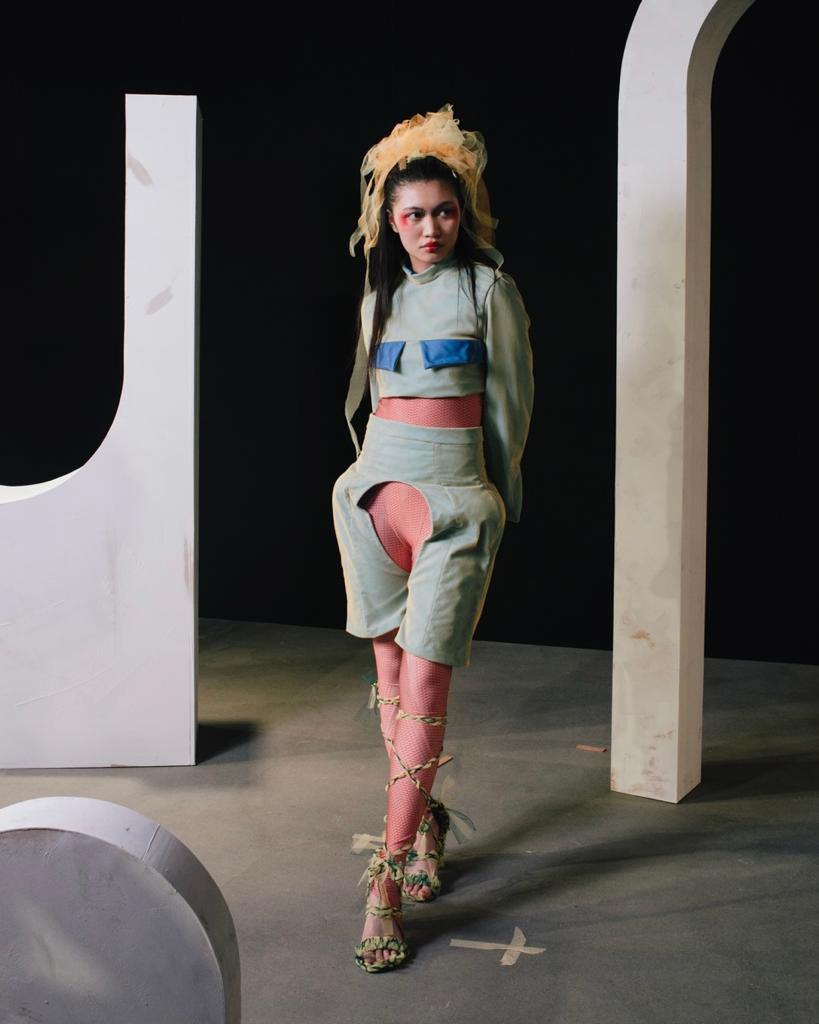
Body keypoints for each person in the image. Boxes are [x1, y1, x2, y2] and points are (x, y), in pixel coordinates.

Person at [331, 103, 535, 972]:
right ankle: (424, 824)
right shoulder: (376, 297)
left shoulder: (488, 291)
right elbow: (371, 401)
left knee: (424, 684)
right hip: (372, 498)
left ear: (464, 211)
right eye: (412, 214)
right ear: (388, 218)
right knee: (389, 683)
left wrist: (494, 500)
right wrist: (364, 485)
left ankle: (383, 879)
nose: (428, 229)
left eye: (443, 212)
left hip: (453, 502)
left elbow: (509, 410)